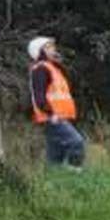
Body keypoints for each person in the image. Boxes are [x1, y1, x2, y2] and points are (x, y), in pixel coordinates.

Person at [27, 36, 85, 169]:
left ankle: (54, 181)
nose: (54, 49)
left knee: (54, 157)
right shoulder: (41, 69)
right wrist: (51, 113)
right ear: (39, 51)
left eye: (53, 46)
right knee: (77, 142)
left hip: (59, 117)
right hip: (53, 117)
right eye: (48, 47)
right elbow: (39, 97)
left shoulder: (54, 68)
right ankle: (74, 174)